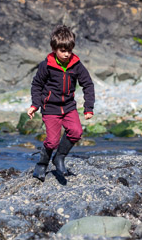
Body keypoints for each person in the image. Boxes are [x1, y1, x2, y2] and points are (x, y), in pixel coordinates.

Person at [27, 25, 95, 182]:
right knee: (52, 141)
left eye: (69, 50)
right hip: (50, 108)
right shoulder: (46, 66)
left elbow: (88, 84)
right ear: (54, 48)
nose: (67, 54)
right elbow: (36, 85)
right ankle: (42, 164)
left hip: (69, 107)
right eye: (63, 51)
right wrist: (34, 105)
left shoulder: (76, 65)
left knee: (76, 132)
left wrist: (88, 107)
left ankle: (59, 158)